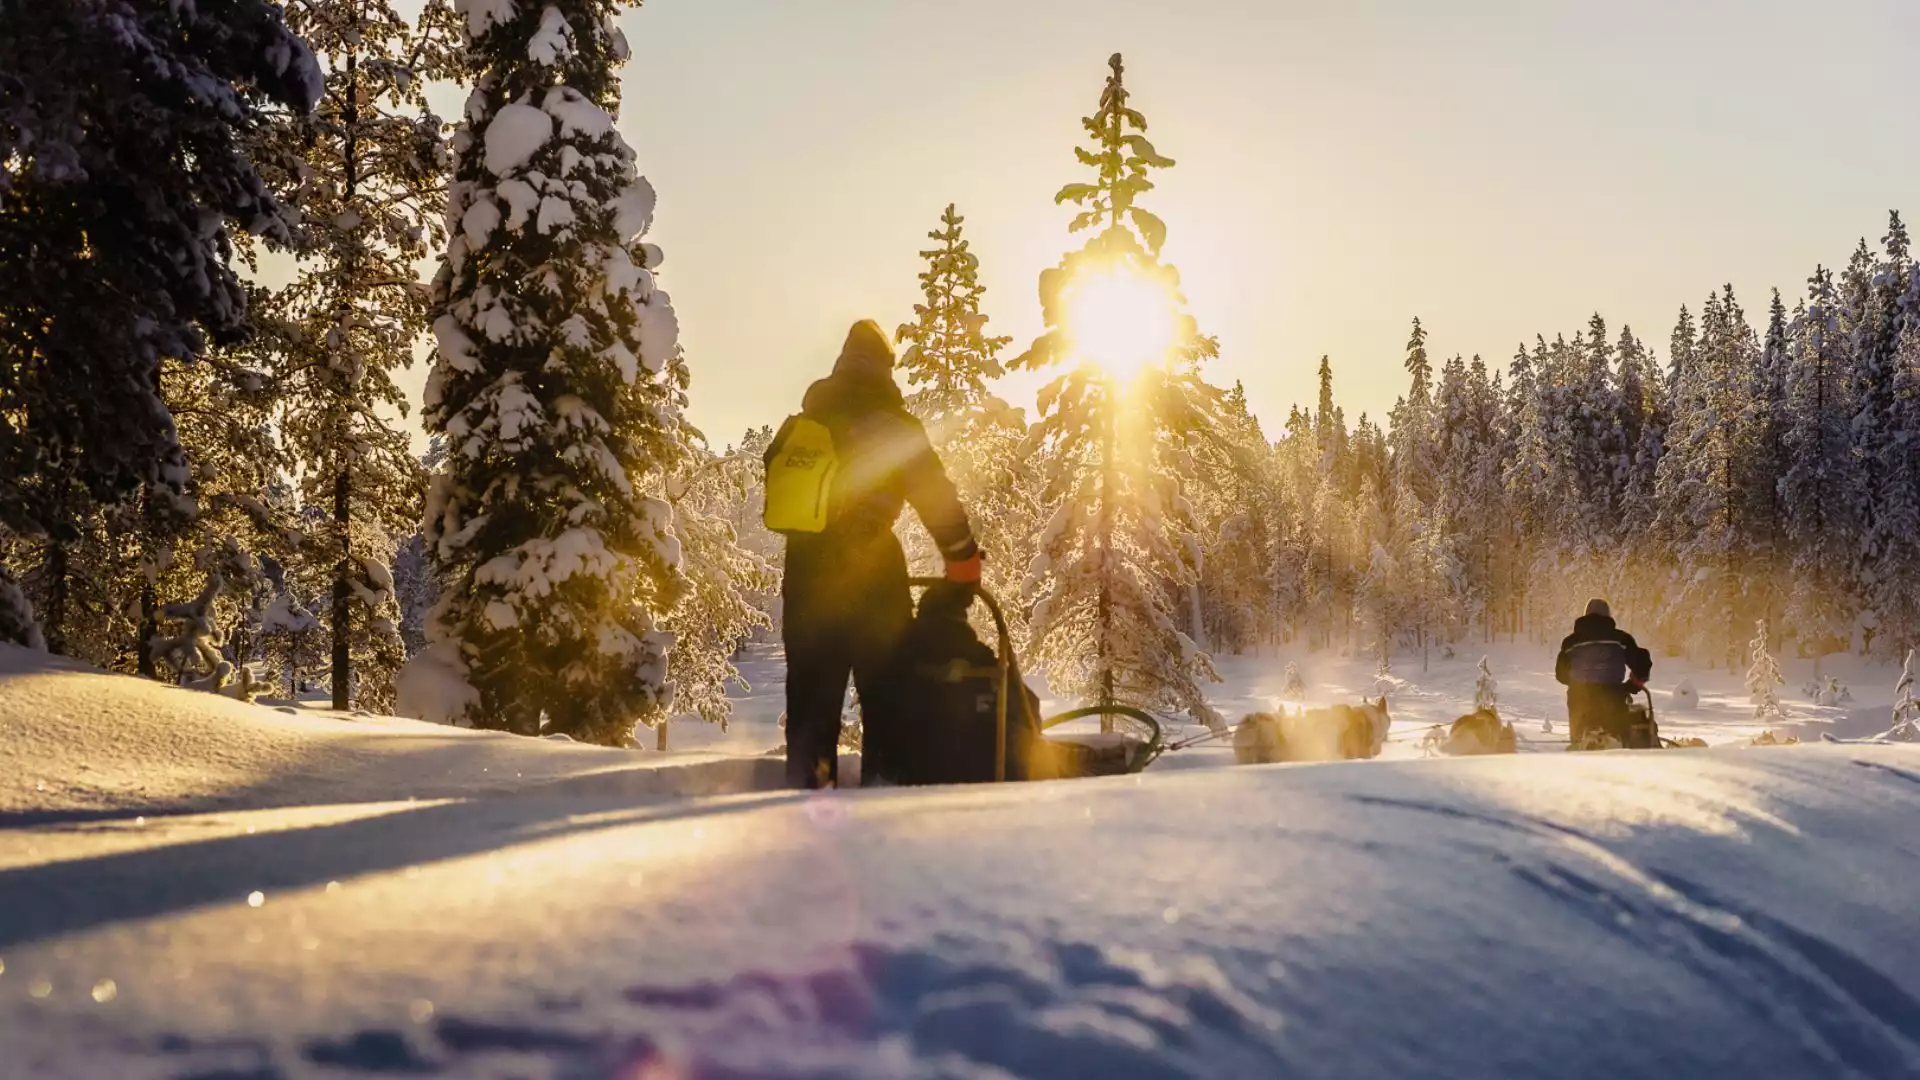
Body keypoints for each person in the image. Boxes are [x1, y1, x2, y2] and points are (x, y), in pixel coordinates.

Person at [770, 319, 981, 789]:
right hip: (871, 568)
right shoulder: (894, 426)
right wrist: (964, 565)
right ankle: (885, 801)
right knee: (886, 696)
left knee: (810, 697)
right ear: (886, 369)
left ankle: (806, 803)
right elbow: (937, 500)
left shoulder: (808, 422)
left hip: (806, 570)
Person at [1554, 598, 1652, 747]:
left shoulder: (1570, 642)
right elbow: (1642, 661)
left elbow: (1561, 675)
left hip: (1580, 699)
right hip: (1613, 697)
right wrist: (1632, 685)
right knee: (1618, 738)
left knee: (1579, 740)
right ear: (1608, 616)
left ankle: (1578, 745)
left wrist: (1577, 682)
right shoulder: (1621, 639)